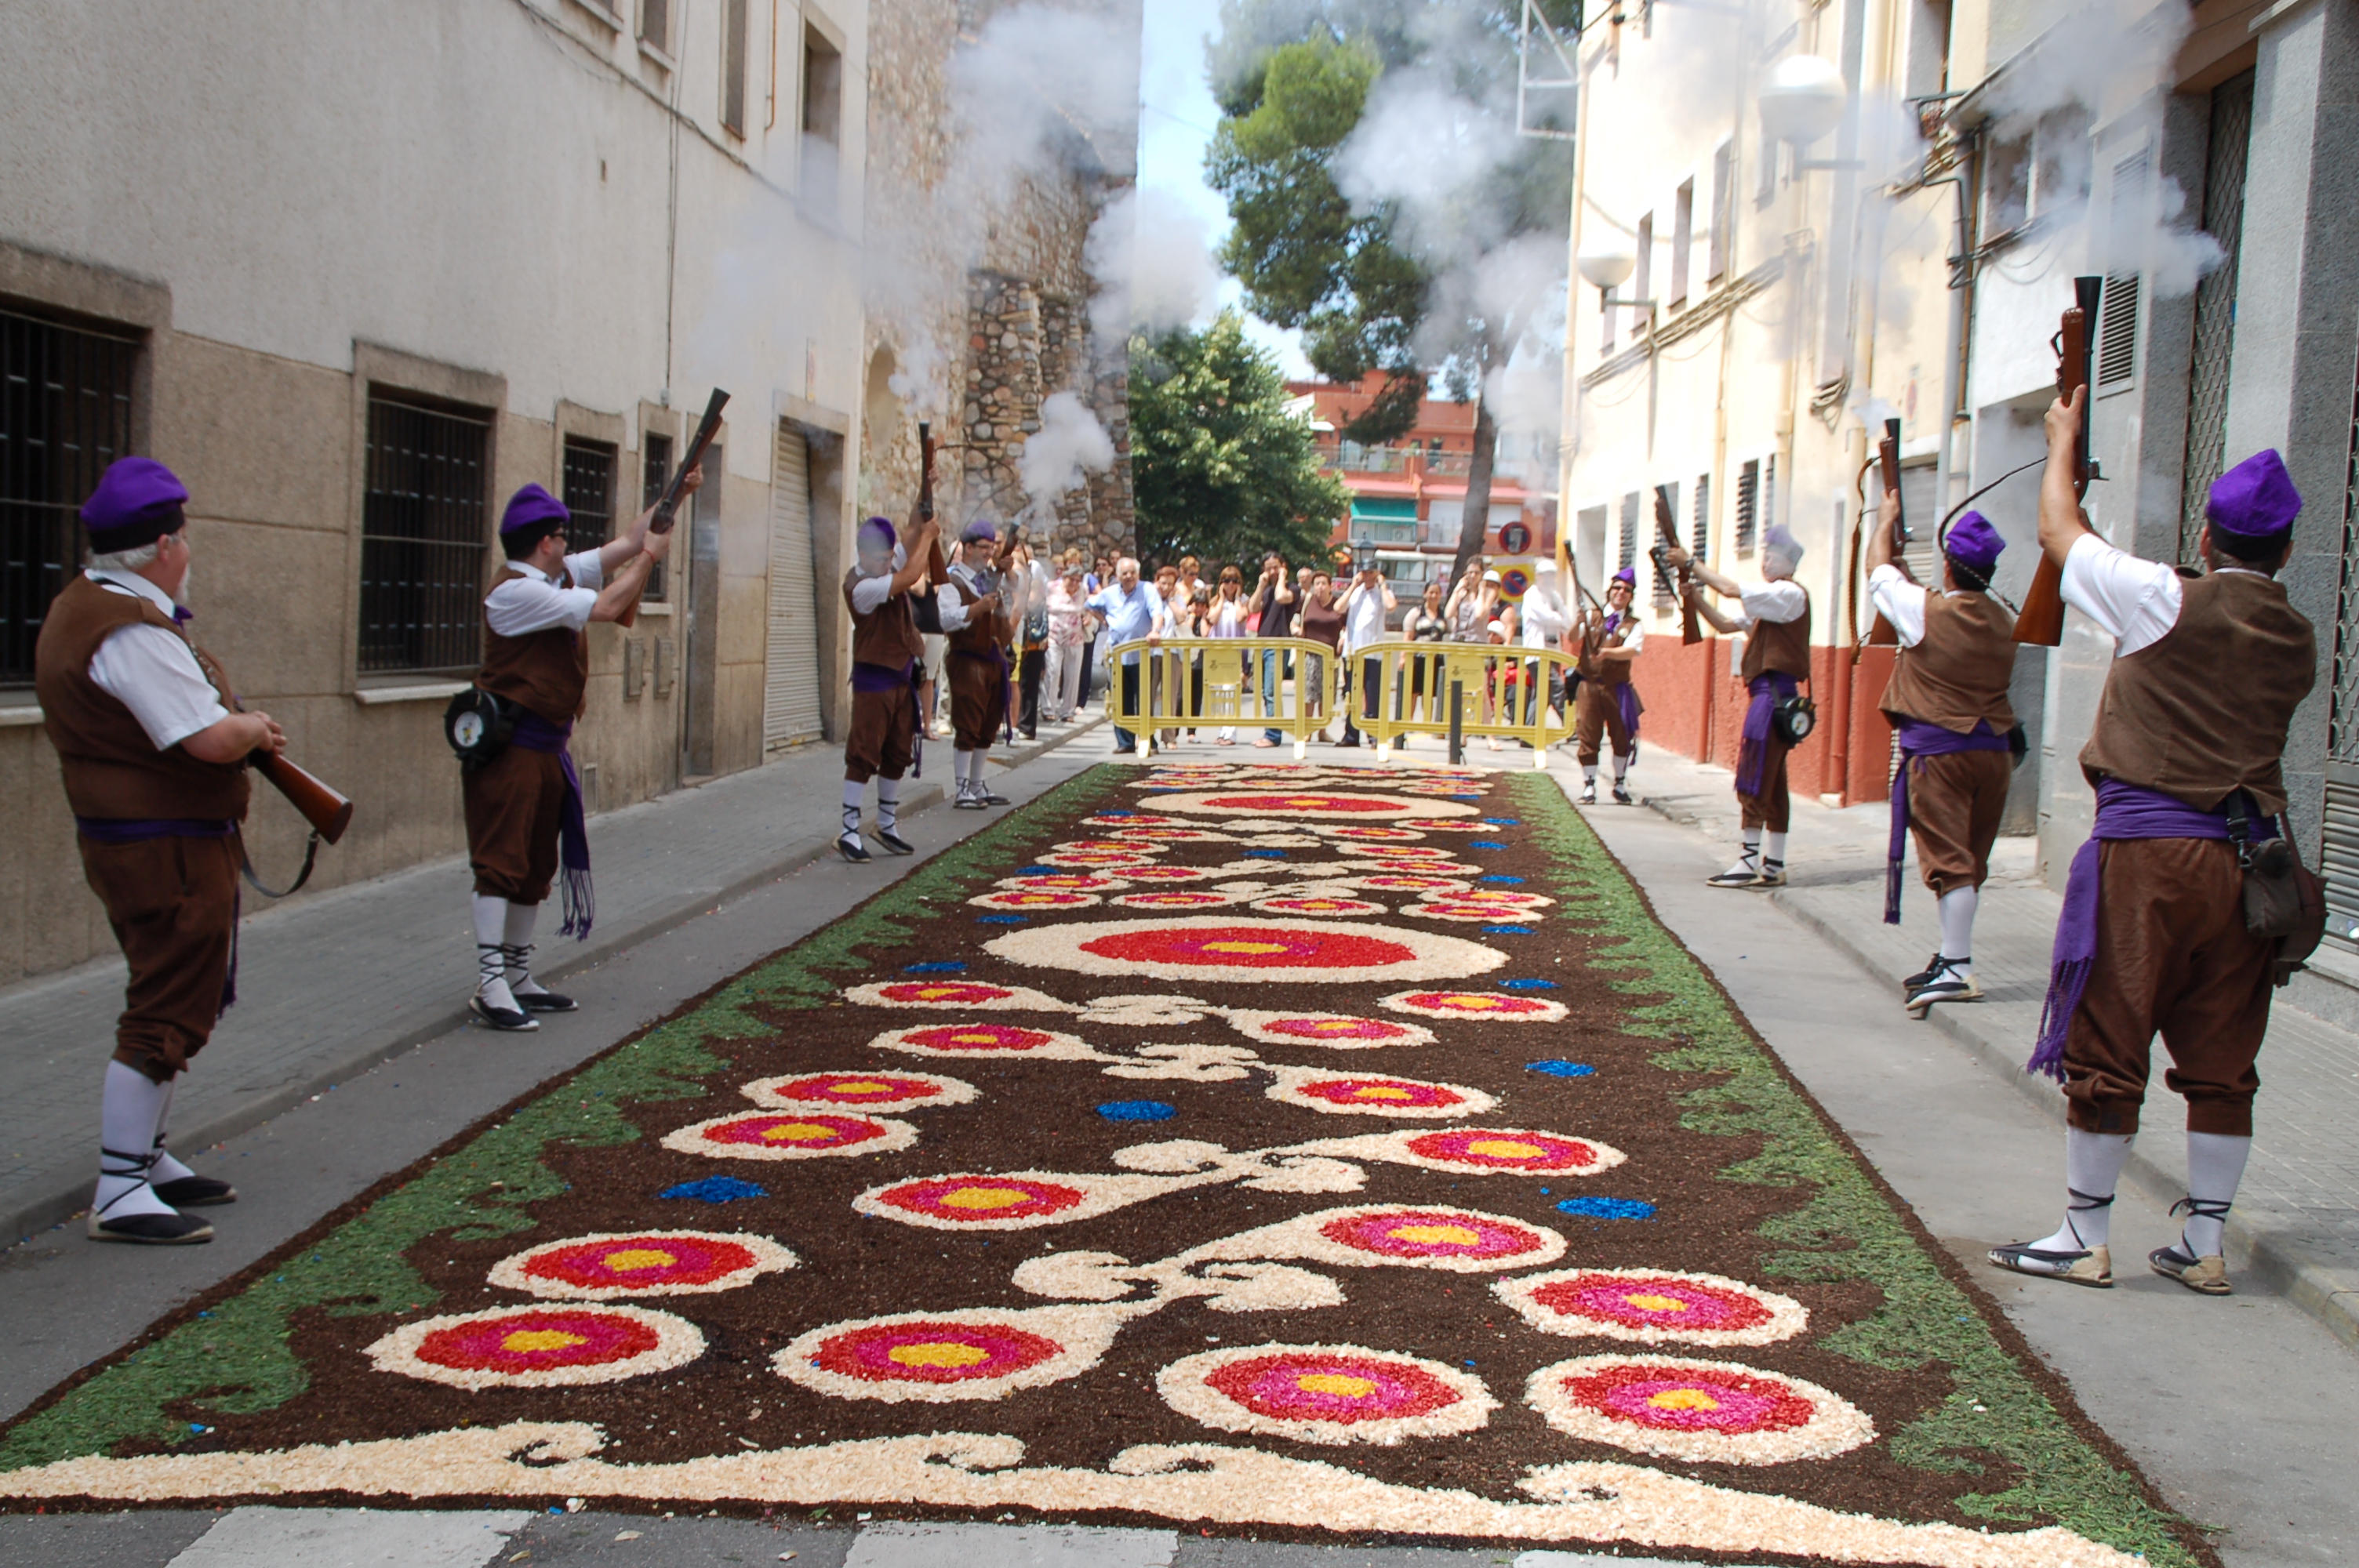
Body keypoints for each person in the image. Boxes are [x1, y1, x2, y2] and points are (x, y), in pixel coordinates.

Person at [1989, 405, 2314, 1298]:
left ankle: (2082, 1235)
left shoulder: (2163, 597)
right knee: (2223, 1057)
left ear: (2205, 536)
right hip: (2253, 868)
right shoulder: (2296, 635)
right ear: (2287, 550)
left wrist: (2062, 440)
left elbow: (2058, 532)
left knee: (2108, 1037)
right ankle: (2203, 1244)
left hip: (2149, 856)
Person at [35, 459, 280, 1244]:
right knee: (165, 1004)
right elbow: (205, 737)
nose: (188, 550)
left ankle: (146, 1158)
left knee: (178, 993)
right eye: (184, 537)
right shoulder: (131, 629)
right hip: (164, 847)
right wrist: (252, 728)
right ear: (166, 545)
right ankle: (120, 1188)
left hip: (149, 840)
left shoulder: (88, 605)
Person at [460, 474, 683, 1031]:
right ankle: (491, 983)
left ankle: (517, 974)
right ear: (546, 542)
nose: (568, 545)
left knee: (536, 862)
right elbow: (607, 603)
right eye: (562, 537)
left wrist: (678, 490)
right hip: (511, 749)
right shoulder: (516, 591)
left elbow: (627, 541)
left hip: (544, 746)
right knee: (500, 863)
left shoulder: (550, 575)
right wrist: (650, 560)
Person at [1868, 500, 2019, 1013]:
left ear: (1948, 568)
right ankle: (1951, 957)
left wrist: (1885, 520)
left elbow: (1877, 570)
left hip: (1941, 754)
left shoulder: (1926, 611)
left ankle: (1957, 966)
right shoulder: (2004, 619)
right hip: (1994, 752)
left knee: (1950, 864)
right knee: (1971, 862)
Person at [1670, 526, 1811, 888]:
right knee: (1773, 782)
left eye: (1774, 557)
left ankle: (1748, 862)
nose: (1767, 562)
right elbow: (1724, 624)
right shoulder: (1772, 603)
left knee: (1754, 775)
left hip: (1773, 697)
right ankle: (1773, 864)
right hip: (1771, 697)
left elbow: (1731, 590)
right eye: (1765, 555)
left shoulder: (1788, 594)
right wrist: (1695, 598)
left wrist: (1690, 563)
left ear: (1790, 564)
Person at [838, 510, 942, 862]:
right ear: (863, 554)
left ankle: (886, 824)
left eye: (889, 557)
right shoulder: (861, 587)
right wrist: (929, 536)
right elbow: (911, 573)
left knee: (898, 752)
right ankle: (849, 829)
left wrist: (923, 503)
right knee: (863, 753)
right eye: (883, 559)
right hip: (874, 681)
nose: (889, 563)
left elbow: (910, 532)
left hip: (900, 679)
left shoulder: (879, 567)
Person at [940, 520, 1017, 808]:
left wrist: (1008, 570)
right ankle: (962, 789)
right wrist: (977, 608)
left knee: (988, 724)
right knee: (968, 724)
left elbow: (1016, 587)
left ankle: (976, 784)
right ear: (968, 547)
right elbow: (945, 619)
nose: (989, 553)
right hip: (967, 659)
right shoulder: (952, 580)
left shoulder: (988, 576)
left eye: (992, 547)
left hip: (993, 658)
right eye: (984, 547)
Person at [1572, 565, 1645, 804]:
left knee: (1622, 736)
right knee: (1588, 734)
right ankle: (1589, 786)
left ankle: (1620, 784)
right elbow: (1573, 637)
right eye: (1617, 588)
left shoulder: (1634, 624)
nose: (1621, 592)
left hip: (1617, 687)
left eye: (1627, 590)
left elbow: (1632, 650)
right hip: (1589, 686)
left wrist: (1607, 653)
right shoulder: (1592, 616)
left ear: (1631, 596)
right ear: (1610, 591)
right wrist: (1577, 622)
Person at [1088, 557, 1159, 754]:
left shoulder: (1147, 589)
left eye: (1132, 572)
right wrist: (1106, 621)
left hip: (1141, 654)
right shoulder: (1109, 593)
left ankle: (1148, 739)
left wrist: (1155, 630)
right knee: (1121, 699)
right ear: (1118, 576)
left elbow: (1157, 612)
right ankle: (1125, 742)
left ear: (1138, 574)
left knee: (1144, 699)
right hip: (1118, 654)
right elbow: (1089, 604)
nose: (1129, 576)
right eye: (1125, 573)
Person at [1338, 564, 1397, 747]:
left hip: (1373, 652)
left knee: (1372, 696)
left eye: (1371, 573)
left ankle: (1373, 735)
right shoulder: (1355, 592)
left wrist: (1383, 585)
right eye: (1364, 572)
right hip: (1352, 652)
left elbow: (1391, 606)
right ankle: (1351, 735)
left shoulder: (1382, 594)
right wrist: (1353, 585)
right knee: (1351, 696)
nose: (1367, 576)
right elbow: (1338, 607)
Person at [1249, 553, 1297, 748]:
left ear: (1283, 566)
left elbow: (1281, 597)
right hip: (1263, 643)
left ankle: (1273, 735)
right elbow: (1253, 607)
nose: (1272, 571)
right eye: (1268, 568)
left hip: (1278, 645)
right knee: (1264, 691)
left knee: (1272, 691)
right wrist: (1261, 585)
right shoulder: (1267, 591)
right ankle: (1269, 731)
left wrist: (1282, 577)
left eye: (1275, 567)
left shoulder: (1292, 589)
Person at [1518, 564, 1573, 735]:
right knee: (1557, 688)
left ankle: (1529, 733)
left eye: (1552, 575)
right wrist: (1560, 620)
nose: (1549, 579)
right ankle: (1572, 728)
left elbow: (1567, 620)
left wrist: (1563, 621)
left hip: (1553, 651)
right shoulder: (1531, 595)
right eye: (1546, 575)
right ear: (1538, 576)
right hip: (1538, 653)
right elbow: (1545, 616)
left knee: (1542, 694)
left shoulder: (1555, 596)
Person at [1401, 577, 1450, 743]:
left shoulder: (1444, 615)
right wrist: (1403, 657)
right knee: (1414, 691)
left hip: (1437, 658)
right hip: (1418, 657)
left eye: (1437, 593)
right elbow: (1408, 636)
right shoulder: (1416, 613)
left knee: (1431, 692)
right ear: (1425, 594)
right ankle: (1408, 721)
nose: (1434, 596)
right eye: (1431, 592)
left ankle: (1428, 722)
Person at [1297, 569, 1344, 743]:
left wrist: (1344, 638)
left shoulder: (1338, 604)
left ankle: (1323, 731)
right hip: (1310, 655)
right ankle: (1308, 729)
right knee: (1309, 694)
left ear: (1330, 586)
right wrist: (1295, 628)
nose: (1320, 587)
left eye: (1324, 583)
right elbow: (1295, 618)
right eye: (1317, 584)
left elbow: (1346, 625)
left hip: (1331, 657)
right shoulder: (1307, 601)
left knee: (1327, 694)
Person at [1206, 565, 1250, 743]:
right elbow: (1212, 618)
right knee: (1218, 693)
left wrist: (1237, 598)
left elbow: (1241, 617)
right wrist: (1221, 598)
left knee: (1231, 692)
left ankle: (1231, 733)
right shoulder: (1215, 601)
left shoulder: (1244, 600)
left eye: (1234, 581)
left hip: (1235, 654)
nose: (1230, 584)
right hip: (1217, 653)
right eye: (1226, 580)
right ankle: (1221, 731)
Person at [1044, 559, 1090, 724]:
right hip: (1054, 635)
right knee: (1053, 671)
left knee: (1073, 675)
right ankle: (1048, 709)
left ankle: (1067, 711)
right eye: (1072, 579)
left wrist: (1088, 617)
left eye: (1078, 580)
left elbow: (1088, 608)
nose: (1075, 583)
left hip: (1075, 637)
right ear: (1065, 577)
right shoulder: (1051, 587)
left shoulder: (1083, 590)